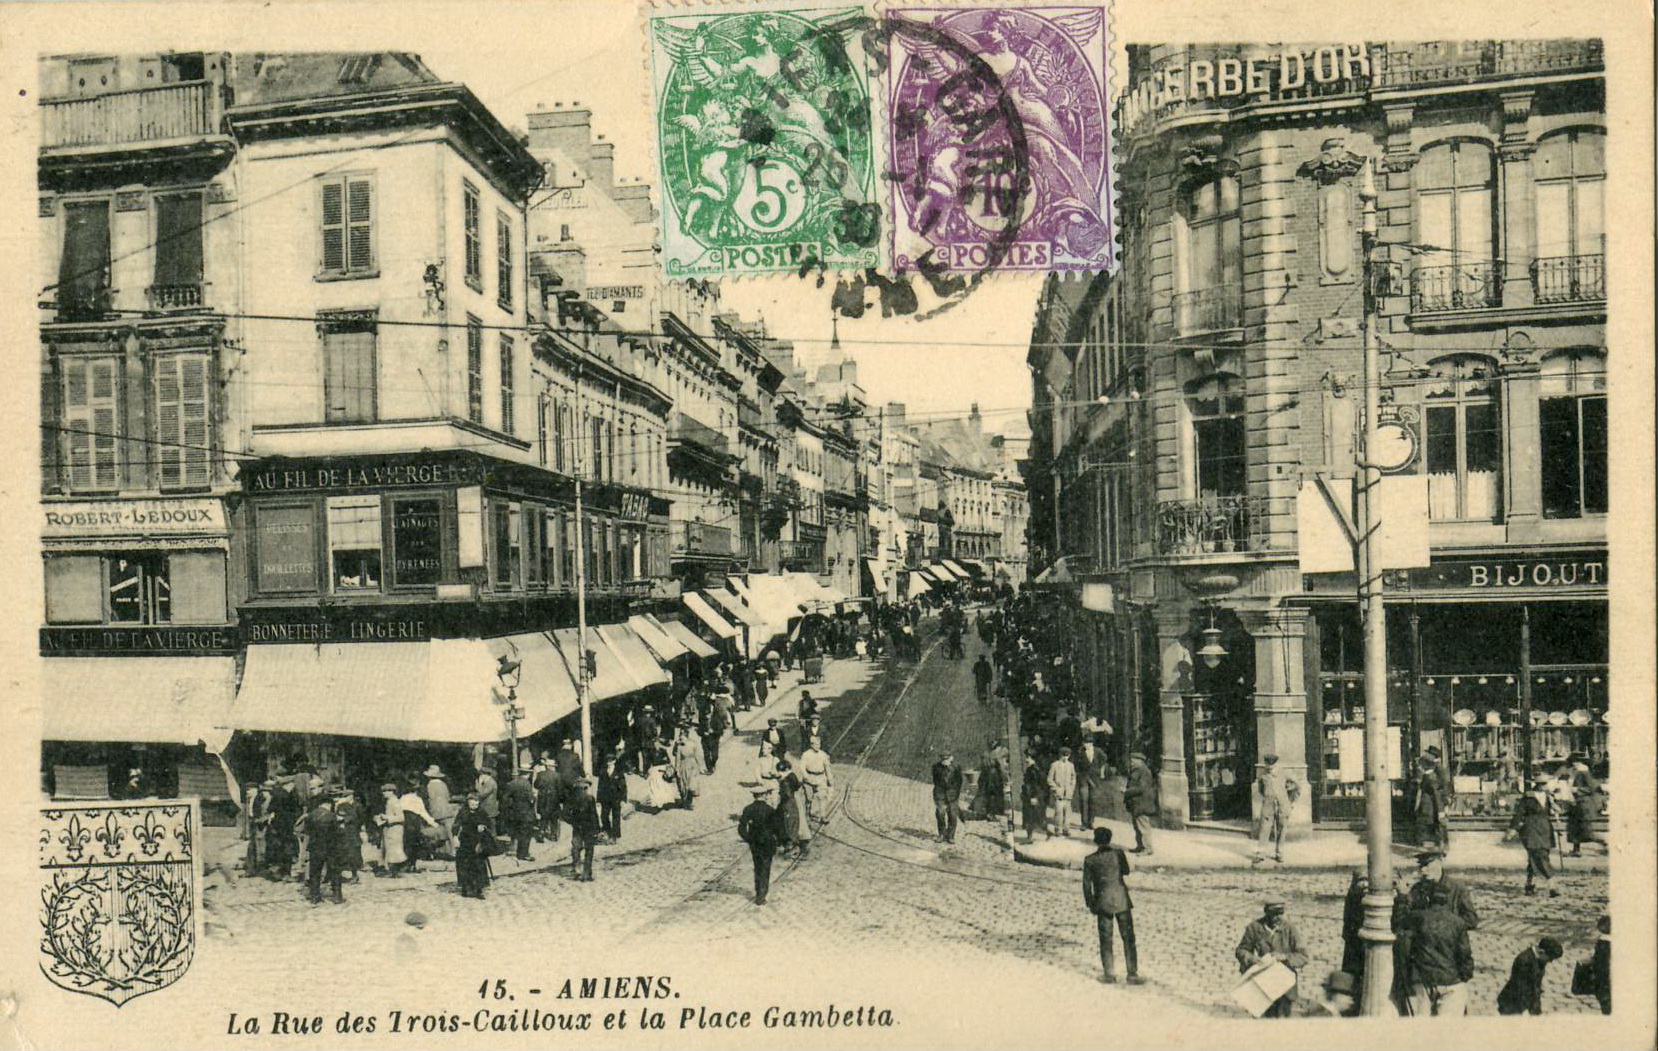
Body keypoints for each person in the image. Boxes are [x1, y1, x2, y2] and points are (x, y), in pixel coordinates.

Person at [1397, 883, 1474, 1016]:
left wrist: (1402, 897)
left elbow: (1399, 920)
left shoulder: (1418, 917)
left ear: (1428, 899)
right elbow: (1465, 956)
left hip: (1423, 980)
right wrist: (1464, 976)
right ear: (1446, 900)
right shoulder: (1458, 923)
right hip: (1451, 982)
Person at [1082, 827, 1143, 984]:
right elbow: (1126, 871)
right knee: (1128, 938)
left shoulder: (1089, 860)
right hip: (1122, 900)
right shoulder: (1118, 854)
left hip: (1102, 903)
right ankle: (1132, 974)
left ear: (1096, 841)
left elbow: (1086, 885)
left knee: (1105, 938)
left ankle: (1109, 974)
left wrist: (1091, 904)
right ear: (1109, 839)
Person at [1235, 902, 1309, 1018]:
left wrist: (1285, 957)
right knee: (1262, 1021)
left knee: (1281, 1023)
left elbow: (1303, 956)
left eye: (1280, 914)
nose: (1278, 917)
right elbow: (1241, 950)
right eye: (1274, 914)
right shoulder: (1255, 927)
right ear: (1267, 913)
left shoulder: (1290, 929)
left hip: (1284, 985)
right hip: (1262, 983)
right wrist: (1251, 958)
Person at [1403, 849, 1480, 929]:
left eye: (1426, 864)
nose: (1423, 869)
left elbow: (1472, 920)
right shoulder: (1417, 889)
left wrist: (1444, 923)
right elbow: (1407, 920)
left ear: (1440, 862)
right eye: (1421, 865)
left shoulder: (1457, 888)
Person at [1506, 781, 1559, 897]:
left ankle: (1529, 885)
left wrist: (1556, 807)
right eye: (1544, 784)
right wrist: (1513, 829)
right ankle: (1552, 885)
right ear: (1539, 785)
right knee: (1539, 856)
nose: (1547, 786)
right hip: (1531, 829)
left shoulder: (1549, 797)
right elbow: (1519, 813)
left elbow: (1559, 809)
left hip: (1545, 829)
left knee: (1535, 858)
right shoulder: (1528, 797)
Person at [1497, 937, 1564, 1015]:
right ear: (1541, 952)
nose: (1550, 961)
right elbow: (1520, 987)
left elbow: (1536, 984)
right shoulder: (1523, 961)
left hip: (1526, 1000)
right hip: (1512, 1002)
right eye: (1550, 959)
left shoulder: (1540, 958)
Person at [738, 784, 780, 905]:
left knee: (757, 867)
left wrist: (749, 839)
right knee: (766, 868)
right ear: (765, 795)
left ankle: (758, 892)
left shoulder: (748, 809)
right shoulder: (770, 810)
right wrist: (777, 840)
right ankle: (762, 895)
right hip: (768, 842)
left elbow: (741, 828)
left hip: (755, 843)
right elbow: (777, 828)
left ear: (754, 795)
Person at [1251, 754, 1297, 865]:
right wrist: (1268, 797)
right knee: (1264, 829)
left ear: (1276, 764)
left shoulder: (1284, 773)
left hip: (1282, 806)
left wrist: (1290, 801)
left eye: (1272, 765)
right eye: (1267, 765)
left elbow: (1296, 785)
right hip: (1268, 805)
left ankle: (1279, 854)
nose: (1269, 767)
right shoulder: (1263, 776)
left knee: (1282, 829)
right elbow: (1261, 789)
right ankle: (1261, 854)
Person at [453, 791, 497, 899]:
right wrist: (455, 837)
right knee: (465, 864)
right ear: (468, 802)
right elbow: (456, 825)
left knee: (478, 865)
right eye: (473, 802)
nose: (475, 805)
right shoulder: (463, 812)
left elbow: (489, 823)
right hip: (465, 841)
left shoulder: (481, 812)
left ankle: (478, 889)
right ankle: (466, 888)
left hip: (478, 841)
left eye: (477, 802)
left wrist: (483, 826)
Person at [303, 794, 344, 905]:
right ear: (329, 804)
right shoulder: (332, 816)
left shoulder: (311, 815)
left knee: (315, 872)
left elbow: (306, 831)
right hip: (331, 848)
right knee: (335, 871)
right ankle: (337, 896)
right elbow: (338, 833)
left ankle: (315, 896)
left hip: (315, 847)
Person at [564, 777, 601, 882]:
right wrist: (597, 829)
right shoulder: (590, 798)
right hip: (589, 828)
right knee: (589, 850)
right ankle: (587, 873)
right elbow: (594, 815)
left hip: (577, 828)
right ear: (585, 787)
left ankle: (577, 869)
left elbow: (565, 815)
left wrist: (573, 822)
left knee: (576, 848)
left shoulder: (571, 799)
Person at [775, 759, 813, 859]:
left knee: (791, 823)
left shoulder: (785, 781)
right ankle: (803, 845)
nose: (779, 774)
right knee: (801, 822)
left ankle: (793, 846)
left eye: (781, 771)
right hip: (798, 801)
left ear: (786, 769)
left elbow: (787, 795)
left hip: (790, 803)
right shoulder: (793, 776)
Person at [1566, 759, 1604, 855]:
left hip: (1584, 805)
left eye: (1576, 762)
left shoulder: (1584, 772)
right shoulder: (1573, 772)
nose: (1574, 764)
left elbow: (1591, 788)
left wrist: (1577, 789)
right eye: (1573, 762)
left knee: (1587, 832)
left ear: (1581, 763)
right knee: (1574, 828)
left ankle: (1606, 843)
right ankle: (1576, 850)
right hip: (1575, 804)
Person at [1124, 751, 1158, 855]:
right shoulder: (1137, 770)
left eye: (1133, 760)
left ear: (1140, 761)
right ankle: (1140, 846)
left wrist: (1126, 791)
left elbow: (1142, 789)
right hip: (1136, 803)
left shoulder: (1143, 771)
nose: (1131, 762)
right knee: (1137, 826)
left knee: (1143, 827)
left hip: (1142, 804)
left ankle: (1147, 848)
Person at [1414, 749, 1449, 849]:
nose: (1419, 765)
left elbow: (1436, 793)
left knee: (1431, 830)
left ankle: (1436, 848)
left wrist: (1440, 810)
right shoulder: (1429, 774)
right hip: (1429, 808)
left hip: (1429, 809)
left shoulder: (1430, 776)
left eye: (1421, 763)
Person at [501, 768, 537, 862]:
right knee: (526, 833)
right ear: (528, 774)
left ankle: (514, 850)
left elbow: (505, 799)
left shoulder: (512, 783)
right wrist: (534, 797)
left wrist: (511, 807)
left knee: (516, 832)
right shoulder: (526, 784)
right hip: (526, 813)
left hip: (515, 813)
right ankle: (523, 854)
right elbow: (531, 800)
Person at [1074, 739, 1109, 832]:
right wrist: (1079, 774)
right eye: (1085, 743)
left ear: (1092, 743)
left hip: (1094, 779)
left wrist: (1100, 771)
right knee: (1083, 799)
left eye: (1089, 743)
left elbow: (1104, 760)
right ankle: (1084, 823)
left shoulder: (1098, 751)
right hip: (1083, 779)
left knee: (1093, 800)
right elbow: (1076, 764)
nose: (1086, 745)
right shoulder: (1080, 751)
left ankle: (1091, 822)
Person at [1340, 871, 1369, 982]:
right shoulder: (1352, 897)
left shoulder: (1368, 897)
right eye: (1361, 880)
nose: (1364, 884)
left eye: (1366, 880)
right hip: (1353, 940)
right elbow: (1347, 917)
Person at [799, 736, 834, 825]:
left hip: (821, 777)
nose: (818, 746)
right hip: (809, 777)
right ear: (811, 745)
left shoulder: (823, 755)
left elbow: (827, 768)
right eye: (816, 744)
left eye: (819, 744)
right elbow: (802, 767)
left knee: (822, 797)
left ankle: (823, 816)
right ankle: (807, 815)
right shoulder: (806, 754)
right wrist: (806, 777)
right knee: (809, 798)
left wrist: (830, 779)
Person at [424, 764, 456, 859]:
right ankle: (452, 851)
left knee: (438, 831)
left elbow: (430, 798)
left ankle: (438, 851)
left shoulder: (430, 785)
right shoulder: (443, 784)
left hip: (436, 811)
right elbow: (448, 797)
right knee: (449, 832)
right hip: (447, 810)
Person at [931, 751, 964, 844]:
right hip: (940, 794)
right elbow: (935, 780)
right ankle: (941, 834)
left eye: (946, 759)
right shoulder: (936, 767)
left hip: (953, 794)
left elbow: (959, 782)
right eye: (943, 759)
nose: (945, 761)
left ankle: (950, 836)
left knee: (953, 815)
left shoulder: (956, 767)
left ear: (951, 758)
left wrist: (955, 793)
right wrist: (938, 793)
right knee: (940, 813)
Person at [374, 784, 407, 876]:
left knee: (395, 851)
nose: (384, 793)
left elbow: (401, 817)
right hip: (390, 829)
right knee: (390, 850)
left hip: (395, 829)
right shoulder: (390, 801)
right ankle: (392, 870)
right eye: (383, 791)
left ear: (392, 792)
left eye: (386, 791)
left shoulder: (394, 802)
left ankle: (395, 871)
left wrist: (386, 817)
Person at [333, 787, 364, 884]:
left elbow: (355, 817)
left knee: (352, 854)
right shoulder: (339, 806)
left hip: (351, 833)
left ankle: (354, 875)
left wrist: (342, 819)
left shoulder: (349, 806)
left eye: (342, 796)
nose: (336, 798)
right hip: (342, 833)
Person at [596, 754, 629, 842]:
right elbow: (600, 786)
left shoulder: (619, 772)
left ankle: (615, 835)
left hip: (616, 798)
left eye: (610, 761)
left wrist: (623, 799)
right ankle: (607, 831)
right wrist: (598, 799)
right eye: (607, 761)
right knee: (604, 816)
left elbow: (623, 786)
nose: (608, 763)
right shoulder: (603, 772)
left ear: (614, 761)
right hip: (605, 798)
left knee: (616, 816)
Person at [671, 727, 704, 811]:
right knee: (682, 785)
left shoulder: (693, 744)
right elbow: (677, 758)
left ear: (686, 736)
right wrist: (677, 769)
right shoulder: (679, 746)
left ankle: (689, 802)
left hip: (692, 766)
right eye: (680, 735)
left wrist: (700, 767)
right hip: (683, 766)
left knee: (691, 785)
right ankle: (684, 801)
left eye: (682, 735)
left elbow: (698, 756)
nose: (681, 737)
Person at [1047, 746, 1077, 837]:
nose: (1065, 757)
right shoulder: (1054, 765)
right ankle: (1058, 830)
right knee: (1058, 812)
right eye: (1064, 755)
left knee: (1067, 812)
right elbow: (1049, 779)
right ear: (1060, 755)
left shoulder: (1071, 765)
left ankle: (1066, 829)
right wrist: (1055, 788)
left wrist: (1071, 788)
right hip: (1059, 793)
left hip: (1068, 792)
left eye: (1067, 756)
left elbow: (1073, 778)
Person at [643, 738, 678, 811]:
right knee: (655, 788)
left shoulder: (663, 751)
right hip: (655, 771)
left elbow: (668, 761)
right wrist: (645, 772)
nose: (656, 745)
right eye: (654, 743)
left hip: (663, 771)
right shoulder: (650, 752)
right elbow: (647, 762)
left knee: (664, 788)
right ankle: (656, 804)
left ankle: (665, 803)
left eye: (657, 743)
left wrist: (669, 768)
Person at [1020, 755, 1048, 843]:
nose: (1026, 759)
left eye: (1028, 758)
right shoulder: (1031, 769)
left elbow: (1036, 785)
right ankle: (1031, 836)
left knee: (1031, 817)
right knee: (1032, 817)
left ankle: (1031, 837)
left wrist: (1034, 797)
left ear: (1033, 759)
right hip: (1028, 796)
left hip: (1032, 796)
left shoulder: (1033, 770)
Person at [534, 761, 563, 843]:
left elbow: (536, 785)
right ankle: (553, 835)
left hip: (543, 799)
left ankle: (541, 834)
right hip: (554, 799)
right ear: (552, 767)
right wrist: (561, 800)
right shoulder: (557, 775)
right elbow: (560, 789)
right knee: (554, 818)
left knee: (543, 817)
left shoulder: (540, 774)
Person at [978, 741, 1007, 819]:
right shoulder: (996, 754)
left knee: (987, 795)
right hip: (994, 777)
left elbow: (981, 767)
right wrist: (1005, 779)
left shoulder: (985, 754)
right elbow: (1001, 767)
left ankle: (987, 812)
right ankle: (992, 813)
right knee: (994, 795)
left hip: (985, 777)